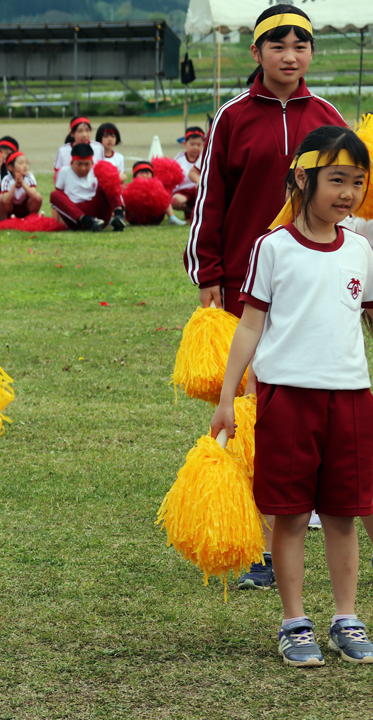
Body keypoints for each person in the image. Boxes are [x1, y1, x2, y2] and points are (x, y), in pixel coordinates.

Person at [183, 4, 347, 590]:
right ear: (257, 53)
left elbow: (347, 201)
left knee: (296, 407)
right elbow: (212, 198)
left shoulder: (327, 119)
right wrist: (208, 267)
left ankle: (289, 530)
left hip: (310, 287)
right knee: (249, 409)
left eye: (300, 46)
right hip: (242, 288)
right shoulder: (233, 118)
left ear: (310, 54)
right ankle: (248, 535)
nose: (290, 56)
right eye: (277, 45)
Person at [209, 125, 373, 666]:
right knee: (291, 515)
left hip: (351, 397)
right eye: (336, 180)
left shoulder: (361, 249)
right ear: (303, 179)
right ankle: (294, 621)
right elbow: (250, 327)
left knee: (345, 515)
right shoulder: (272, 247)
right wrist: (228, 396)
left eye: (357, 182)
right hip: (288, 399)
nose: (348, 193)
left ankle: (346, 618)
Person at [50, 143, 126, 231]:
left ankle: (119, 215)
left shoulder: (97, 171)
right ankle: (89, 222)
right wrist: (56, 221)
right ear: (71, 163)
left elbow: (114, 188)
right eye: (79, 164)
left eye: (87, 164)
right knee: (54, 194)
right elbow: (59, 200)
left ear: (92, 163)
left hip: (98, 213)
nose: (83, 168)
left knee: (109, 180)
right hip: (76, 216)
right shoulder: (63, 172)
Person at [128, 161, 185, 226]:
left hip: (155, 218)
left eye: (147, 173)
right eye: (141, 173)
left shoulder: (158, 186)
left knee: (163, 194)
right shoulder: (130, 187)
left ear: (152, 175)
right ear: (134, 176)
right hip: (135, 219)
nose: (144, 176)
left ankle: (172, 218)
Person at [0, 151, 42, 220]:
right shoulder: (7, 179)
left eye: (26, 163)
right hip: (11, 208)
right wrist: (15, 184)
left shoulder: (29, 177)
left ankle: (32, 217)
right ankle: (4, 220)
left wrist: (22, 183)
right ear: (10, 167)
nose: (25, 166)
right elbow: (5, 200)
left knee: (38, 196)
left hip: (25, 207)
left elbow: (34, 195)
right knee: (0, 198)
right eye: (21, 163)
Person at [171, 127, 205, 218]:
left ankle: (199, 213)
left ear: (204, 145)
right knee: (174, 201)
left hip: (199, 189)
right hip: (183, 192)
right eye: (192, 144)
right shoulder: (179, 159)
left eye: (199, 144)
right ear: (185, 144)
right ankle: (189, 210)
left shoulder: (205, 158)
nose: (195, 147)